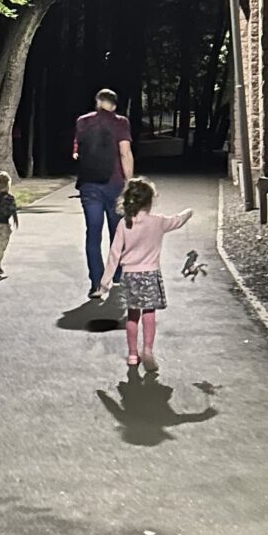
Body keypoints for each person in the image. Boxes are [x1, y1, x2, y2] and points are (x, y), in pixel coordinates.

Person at [100, 177, 192, 370]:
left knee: (132, 316)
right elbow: (178, 221)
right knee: (149, 313)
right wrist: (188, 213)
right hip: (150, 274)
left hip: (130, 276)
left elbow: (114, 254)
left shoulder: (125, 224)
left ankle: (133, 355)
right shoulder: (158, 222)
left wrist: (105, 281)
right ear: (150, 201)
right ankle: (148, 349)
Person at [73, 88, 134, 299]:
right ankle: (116, 275)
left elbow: (78, 151)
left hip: (89, 185)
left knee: (93, 233)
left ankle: (96, 284)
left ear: (98, 102)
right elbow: (125, 154)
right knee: (117, 233)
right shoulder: (121, 123)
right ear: (114, 105)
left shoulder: (82, 121)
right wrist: (130, 183)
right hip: (115, 184)